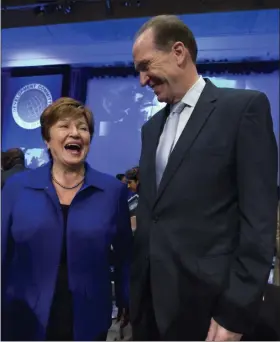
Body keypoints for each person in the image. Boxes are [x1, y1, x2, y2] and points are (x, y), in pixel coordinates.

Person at [130, 15, 278, 341]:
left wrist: (235, 313)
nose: (142, 80)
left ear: (178, 52)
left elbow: (258, 223)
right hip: (149, 310)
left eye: (145, 66)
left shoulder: (243, 109)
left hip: (210, 313)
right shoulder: (150, 129)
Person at [1, 97, 132, 341]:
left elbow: (125, 254)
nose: (75, 133)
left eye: (82, 128)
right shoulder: (16, 188)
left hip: (88, 319)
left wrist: (127, 300)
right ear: (47, 139)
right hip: (22, 315)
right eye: (64, 126)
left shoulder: (112, 191)